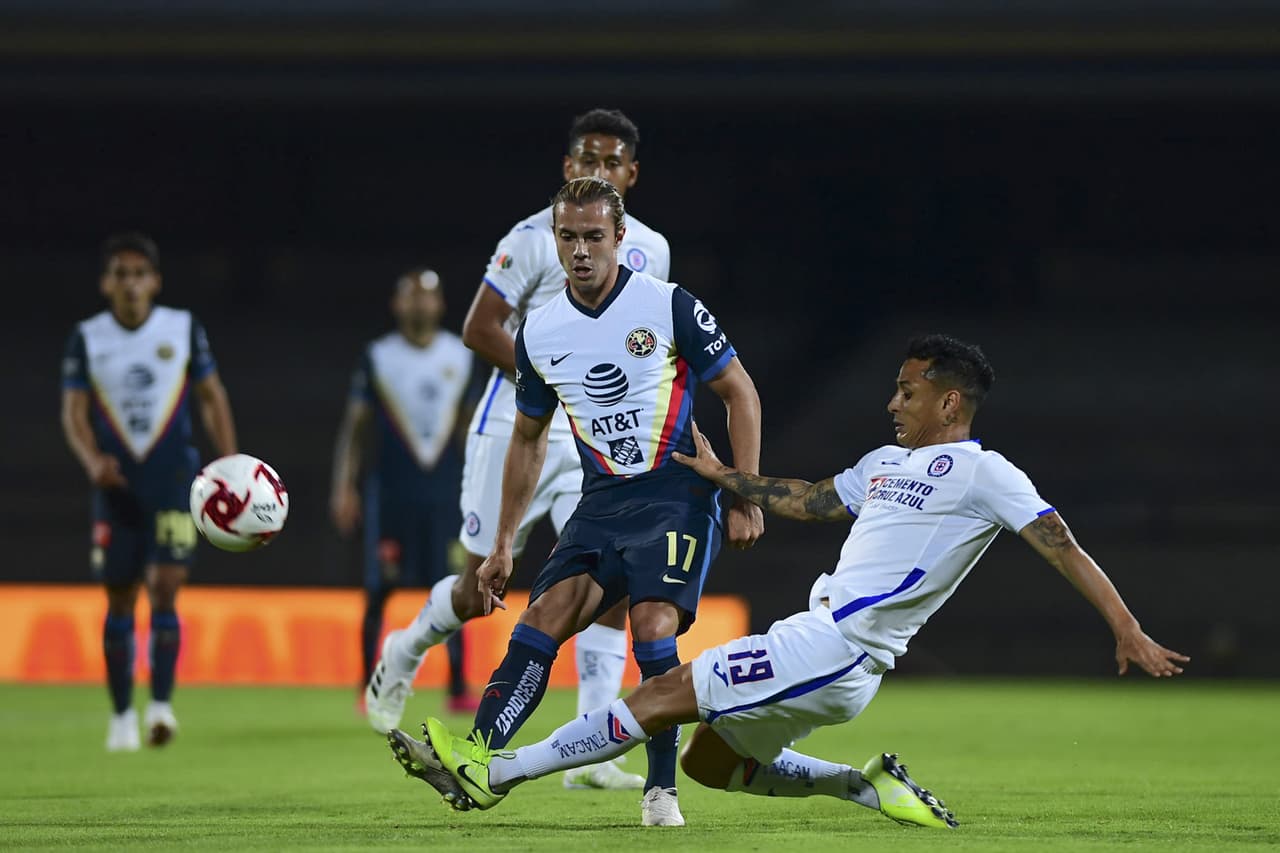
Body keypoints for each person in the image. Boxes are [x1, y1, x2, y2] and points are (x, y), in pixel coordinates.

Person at [389, 333, 1189, 830]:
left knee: (659, 696)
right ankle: (866, 787)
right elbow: (807, 499)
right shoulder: (885, 464)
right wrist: (726, 476)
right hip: (831, 655)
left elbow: (1061, 543)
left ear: (950, 399)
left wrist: (1125, 626)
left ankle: (494, 773)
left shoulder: (986, 473)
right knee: (711, 764)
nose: (891, 402)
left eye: (907, 390)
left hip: (841, 645)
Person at [391, 175, 764, 826]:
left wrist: (746, 493)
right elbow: (528, 440)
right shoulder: (539, 332)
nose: (581, 250)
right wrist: (504, 542)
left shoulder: (669, 304)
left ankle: (661, 789)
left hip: (674, 491)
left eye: (595, 236)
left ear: (621, 237)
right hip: (601, 500)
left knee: (651, 625)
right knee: (541, 618)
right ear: (554, 240)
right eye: (568, 237)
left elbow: (740, 391)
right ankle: (475, 760)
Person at [365, 108, 674, 791]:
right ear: (567, 167)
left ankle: (594, 754)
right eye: (585, 158)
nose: (598, 169)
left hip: (596, 441)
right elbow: (479, 326)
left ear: (631, 173)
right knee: (483, 590)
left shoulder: (653, 247)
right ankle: (405, 647)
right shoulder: (535, 238)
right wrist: (552, 371)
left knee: (609, 581)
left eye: (611, 160)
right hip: (518, 426)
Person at [61, 232, 238, 751]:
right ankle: (121, 716)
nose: (130, 284)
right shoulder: (87, 337)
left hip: (172, 481)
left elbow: (211, 396)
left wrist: (228, 465)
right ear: (105, 283)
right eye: (120, 273)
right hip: (116, 486)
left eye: (139, 274)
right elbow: (73, 413)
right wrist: (93, 460)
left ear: (155, 281)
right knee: (119, 599)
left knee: (165, 587)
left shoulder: (181, 328)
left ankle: (160, 707)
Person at [331, 269, 477, 713]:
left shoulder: (461, 355)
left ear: (441, 305)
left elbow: (472, 430)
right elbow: (354, 428)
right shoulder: (378, 356)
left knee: (457, 587)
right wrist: (344, 487)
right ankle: (367, 683)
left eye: (427, 297)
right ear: (397, 305)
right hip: (390, 493)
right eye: (410, 296)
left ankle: (456, 685)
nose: (419, 305)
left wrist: (481, 490)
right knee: (379, 590)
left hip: (445, 495)